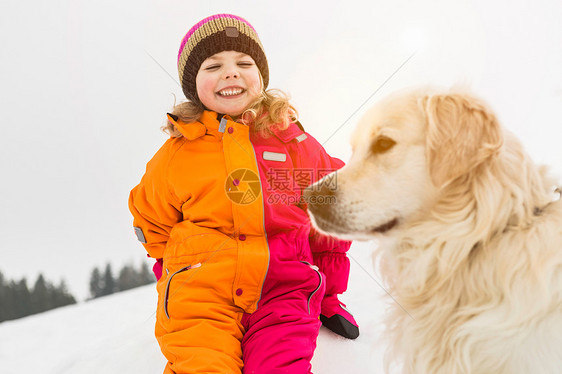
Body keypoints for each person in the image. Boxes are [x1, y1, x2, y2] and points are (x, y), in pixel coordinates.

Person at [128, 13, 358, 374]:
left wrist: (329, 294)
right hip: (200, 296)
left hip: (283, 291)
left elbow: (331, 217)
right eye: (213, 65)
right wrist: (172, 275)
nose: (231, 72)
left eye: (244, 63)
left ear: (261, 77)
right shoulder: (177, 154)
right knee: (202, 366)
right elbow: (152, 221)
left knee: (280, 366)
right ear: (194, 85)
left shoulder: (295, 144)